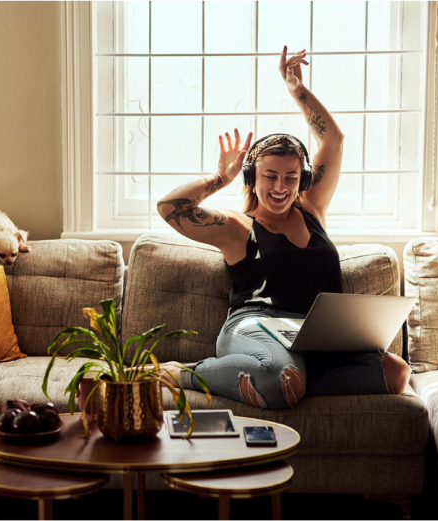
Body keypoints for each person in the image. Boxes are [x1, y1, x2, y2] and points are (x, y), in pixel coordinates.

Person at [154, 45, 410, 409]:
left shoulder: (312, 209)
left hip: (312, 335)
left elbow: (332, 141)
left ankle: (294, 382)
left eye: (291, 177)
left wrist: (297, 90)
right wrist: (218, 178)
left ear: (302, 179)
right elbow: (170, 207)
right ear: (252, 177)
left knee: (395, 372)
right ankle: (180, 373)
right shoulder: (237, 227)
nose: (280, 187)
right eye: (270, 176)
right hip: (256, 326)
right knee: (277, 378)